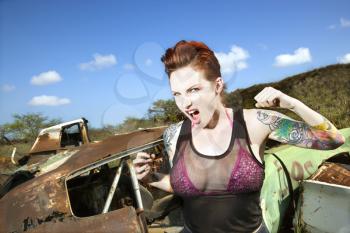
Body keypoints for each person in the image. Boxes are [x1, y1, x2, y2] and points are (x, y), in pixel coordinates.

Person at [133, 40, 345, 233]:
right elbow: (182, 186)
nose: (184, 103)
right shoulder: (174, 135)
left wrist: (291, 104)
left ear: (217, 86)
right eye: (177, 94)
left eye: (193, 90)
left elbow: (333, 139)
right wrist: (149, 178)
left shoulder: (255, 123)